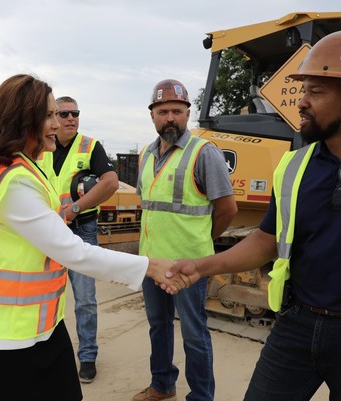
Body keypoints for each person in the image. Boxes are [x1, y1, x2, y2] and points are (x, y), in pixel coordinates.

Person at [168, 30, 341, 401]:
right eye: (303, 90)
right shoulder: (294, 166)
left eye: (315, 92)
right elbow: (266, 239)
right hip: (296, 327)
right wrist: (202, 266)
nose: (301, 103)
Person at [0, 74, 187, 401]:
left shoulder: (24, 168)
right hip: (7, 338)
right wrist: (149, 267)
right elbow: (75, 253)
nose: (61, 122)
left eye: (64, 114)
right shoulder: (16, 183)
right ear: (26, 122)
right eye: (51, 115)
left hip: (37, 326)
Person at [132, 79, 237, 401]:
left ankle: (202, 396)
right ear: (152, 115)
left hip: (188, 266)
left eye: (177, 111)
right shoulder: (146, 155)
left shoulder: (204, 153)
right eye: (163, 111)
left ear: (187, 114)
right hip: (152, 263)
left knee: (194, 333)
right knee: (158, 327)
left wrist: (202, 246)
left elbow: (227, 209)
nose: (170, 118)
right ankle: (162, 385)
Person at [37, 96, 119, 383]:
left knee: (84, 298)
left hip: (81, 228)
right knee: (43, 294)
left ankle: (87, 356)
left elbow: (110, 182)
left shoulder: (90, 146)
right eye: (64, 113)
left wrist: (74, 209)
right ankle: (44, 351)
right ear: (53, 118)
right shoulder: (40, 147)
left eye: (76, 113)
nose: (71, 118)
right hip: (46, 231)